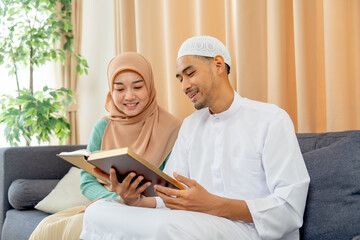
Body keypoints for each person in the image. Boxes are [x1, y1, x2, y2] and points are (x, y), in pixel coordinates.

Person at [80, 36, 310, 240]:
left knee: (166, 228)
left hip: (250, 230)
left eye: (190, 73)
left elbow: (289, 209)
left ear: (218, 65)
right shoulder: (191, 126)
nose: (184, 85)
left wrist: (215, 205)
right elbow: (170, 193)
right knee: (97, 212)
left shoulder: (271, 119)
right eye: (180, 78)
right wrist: (137, 201)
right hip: (194, 224)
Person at [29, 52, 181, 240]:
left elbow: (174, 184)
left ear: (150, 87)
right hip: (107, 203)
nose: (129, 96)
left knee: (77, 226)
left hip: (150, 208)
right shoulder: (103, 126)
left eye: (138, 87)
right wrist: (114, 199)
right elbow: (87, 181)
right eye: (119, 89)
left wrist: (135, 200)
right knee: (47, 227)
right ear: (111, 91)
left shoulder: (171, 127)